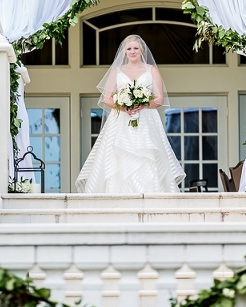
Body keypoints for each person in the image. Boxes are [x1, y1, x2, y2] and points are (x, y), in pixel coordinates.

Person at [76, 35, 185, 193]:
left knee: (147, 155)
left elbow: (159, 99)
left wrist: (142, 104)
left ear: (142, 49)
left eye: (135, 48)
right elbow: (107, 98)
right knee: (117, 157)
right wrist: (124, 107)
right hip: (120, 120)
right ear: (124, 52)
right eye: (129, 49)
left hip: (146, 119)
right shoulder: (117, 71)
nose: (132, 51)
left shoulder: (151, 70)